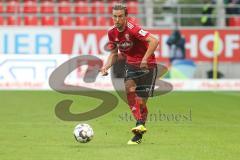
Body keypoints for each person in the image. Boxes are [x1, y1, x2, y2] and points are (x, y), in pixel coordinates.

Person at [100, 3, 159, 145]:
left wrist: (145, 59)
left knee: (141, 102)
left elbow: (154, 40)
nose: (117, 19)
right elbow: (114, 54)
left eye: (120, 16)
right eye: (115, 16)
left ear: (126, 17)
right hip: (132, 64)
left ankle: (139, 129)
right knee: (128, 87)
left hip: (148, 65)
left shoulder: (133, 29)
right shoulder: (111, 33)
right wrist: (106, 66)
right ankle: (139, 125)